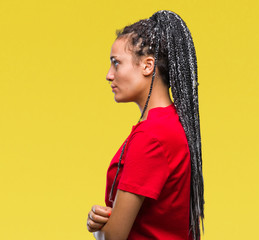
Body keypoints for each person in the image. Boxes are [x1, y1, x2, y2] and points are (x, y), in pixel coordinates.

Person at [86, 10, 204, 240]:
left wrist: (99, 229)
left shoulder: (151, 137)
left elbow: (114, 238)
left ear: (148, 66)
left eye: (116, 63)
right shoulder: (170, 124)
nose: (109, 75)